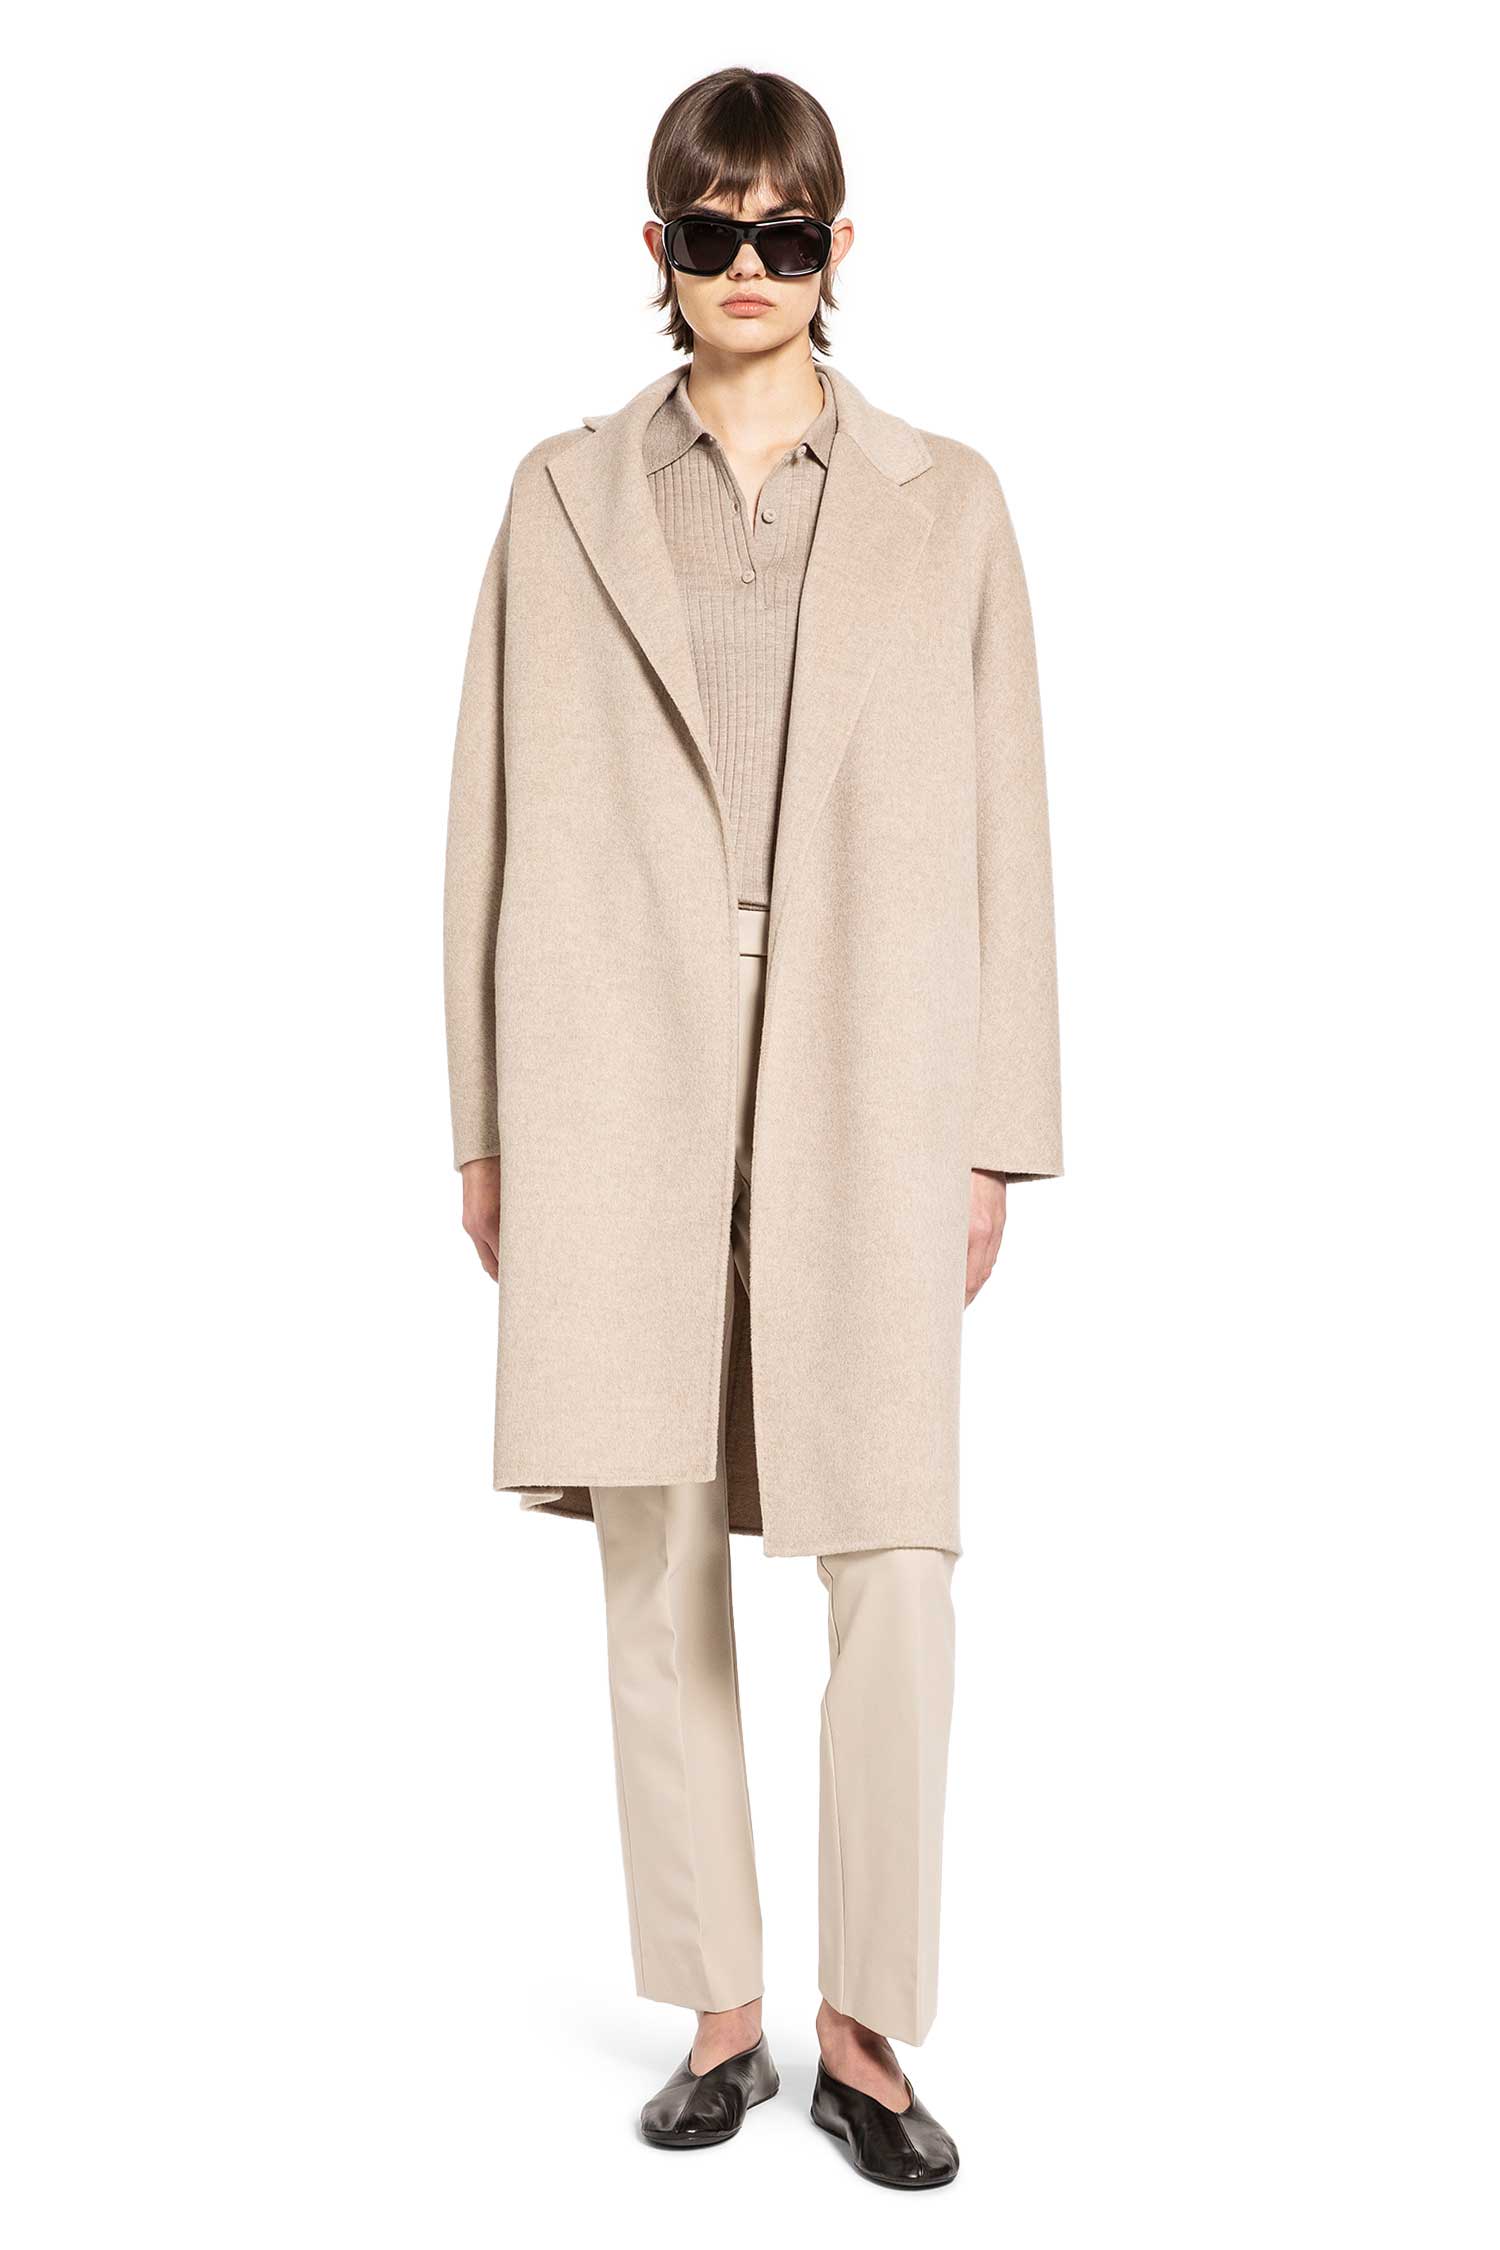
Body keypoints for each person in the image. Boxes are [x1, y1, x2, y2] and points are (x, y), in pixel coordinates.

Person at [443, 66, 1061, 2190]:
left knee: (894, 1550)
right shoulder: (560, 497)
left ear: (837, 249)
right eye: (711, 234)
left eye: (784, 235)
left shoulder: (948, 503)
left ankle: (866, 2032)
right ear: (659, 249)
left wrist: (996, 1128)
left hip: (872, 1053)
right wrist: (484, 1123)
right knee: (655, 1542)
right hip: (610, 1056)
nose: (747, 269)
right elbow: (482, 821)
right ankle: (718, 2011)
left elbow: (1010, 824)